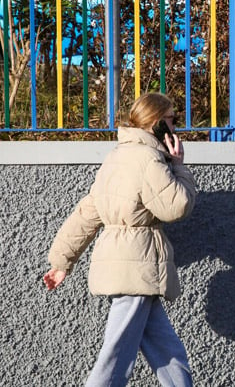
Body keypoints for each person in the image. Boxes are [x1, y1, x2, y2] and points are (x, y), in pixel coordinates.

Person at [43, 92, 197, 387]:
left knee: (169, 353)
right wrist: (178, 164)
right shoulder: (149, 159)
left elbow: (88, 211)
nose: (176, 127)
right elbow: (177, 205)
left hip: (134, 269)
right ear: (156, 124)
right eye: (171, 120)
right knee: (114, 360)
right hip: (136, 267)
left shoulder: (115, 158)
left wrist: (62, 261)